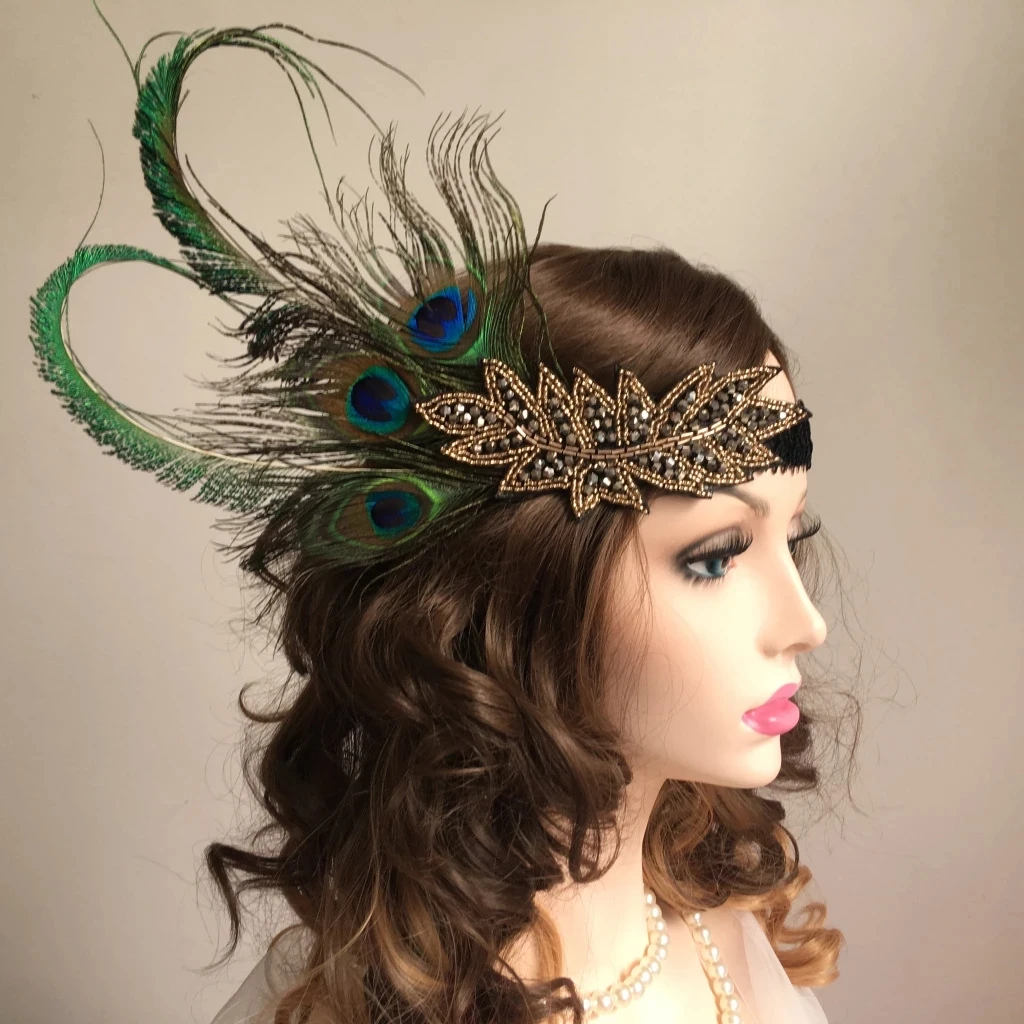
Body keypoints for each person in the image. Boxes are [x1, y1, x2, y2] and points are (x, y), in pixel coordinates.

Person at [30, 16, 854, 1024]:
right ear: (524, 594)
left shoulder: (729, 940)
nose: (804, 621)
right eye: (716, 556)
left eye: (791, 537)